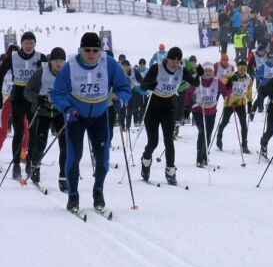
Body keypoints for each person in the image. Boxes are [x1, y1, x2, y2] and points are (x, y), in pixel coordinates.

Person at [51, 33, 131, 212]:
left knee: (102, 159)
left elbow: (124, 87)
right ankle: (73, 196)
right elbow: (57, 93)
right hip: (76, 117)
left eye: (95, 50)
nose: (91, 54)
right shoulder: (70, 66)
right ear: (81, 50)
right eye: (87, 50)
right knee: (74, 157)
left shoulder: (109, 63)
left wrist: (121, 99)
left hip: (100, 116)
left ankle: (98, 191)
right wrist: (66, 108)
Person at [139, 47, 200, 185]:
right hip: (153, 108)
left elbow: (195, 83)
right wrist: (150, 85)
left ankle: (170, 171)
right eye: (172, 61)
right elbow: (142, 86)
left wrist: (199, 75)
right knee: (153, 142)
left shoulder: (181, 70)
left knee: (169, 140)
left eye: (178, 61)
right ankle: (146, 161)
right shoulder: (157, 68)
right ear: (167, 59)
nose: (175, 64)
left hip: (168, 107)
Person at [0, 32, 47, 179]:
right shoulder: (13, 57)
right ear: (22, 44)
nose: (28, 46)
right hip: (18, 96)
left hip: (33, 97)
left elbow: (51, 74)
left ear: (35, 44)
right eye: (26, 43)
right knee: (19, 132)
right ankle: (15, 165)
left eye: (31, 43)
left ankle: (29, 161)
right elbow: (1, 73)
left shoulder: (41, 57)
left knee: (33, 132)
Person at [24, 47, 68, 189]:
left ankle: (63, 176)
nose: (59, 63)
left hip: (60, 111)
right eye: (56, 60)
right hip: (43, 111)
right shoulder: (42, 71)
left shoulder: (68, 73)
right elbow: (28, 91)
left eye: (61, 60)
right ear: (51, 60)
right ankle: (35, 167)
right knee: (41, 142)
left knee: (65, 145)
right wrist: (37, 98)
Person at [183, 62, 230, 167]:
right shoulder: (197, 80)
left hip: (211, 111)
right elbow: (189, 93)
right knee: (202, 132)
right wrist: (186, 108)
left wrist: (229, 90)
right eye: (206, 70)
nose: (208, 73)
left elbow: (226, 91)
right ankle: (199, 157)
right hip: (198, 111)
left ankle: (205, 154)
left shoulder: (216, 81)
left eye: (210, 71)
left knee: (208, 134)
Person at [216, 60, 253, 154]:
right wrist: (228, 83)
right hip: (230, 103)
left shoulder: (249, 78)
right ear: (238, 68)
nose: (242, 71)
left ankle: (244, 145)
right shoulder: (231, 75)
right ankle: (219, 138)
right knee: (224, 122)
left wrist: (250, 102)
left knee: (244, 125)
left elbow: (249, 91)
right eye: (240, 69)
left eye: (244, 69)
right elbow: (222, 86)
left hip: (241, 103)